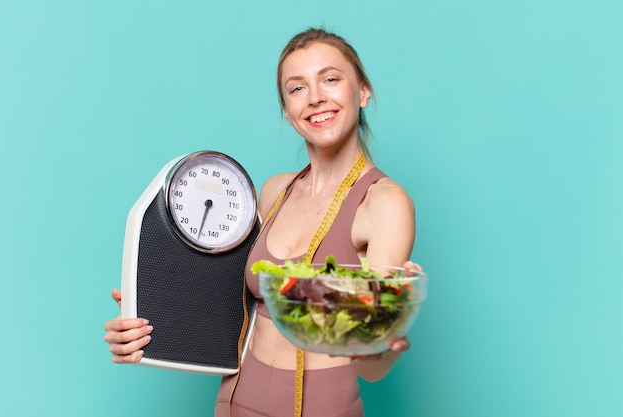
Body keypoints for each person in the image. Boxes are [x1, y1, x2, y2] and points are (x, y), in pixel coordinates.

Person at [104, 27, 422, 417]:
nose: (316, 97)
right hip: (237, 394)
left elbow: (373, 365)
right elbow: (226, 300)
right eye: (297, 88)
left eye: (331, 79)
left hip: (321, 404)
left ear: (363, 91)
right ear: (288, 113)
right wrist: (147, 314)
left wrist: (386, 344)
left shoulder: (385, 203)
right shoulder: (273, 191)